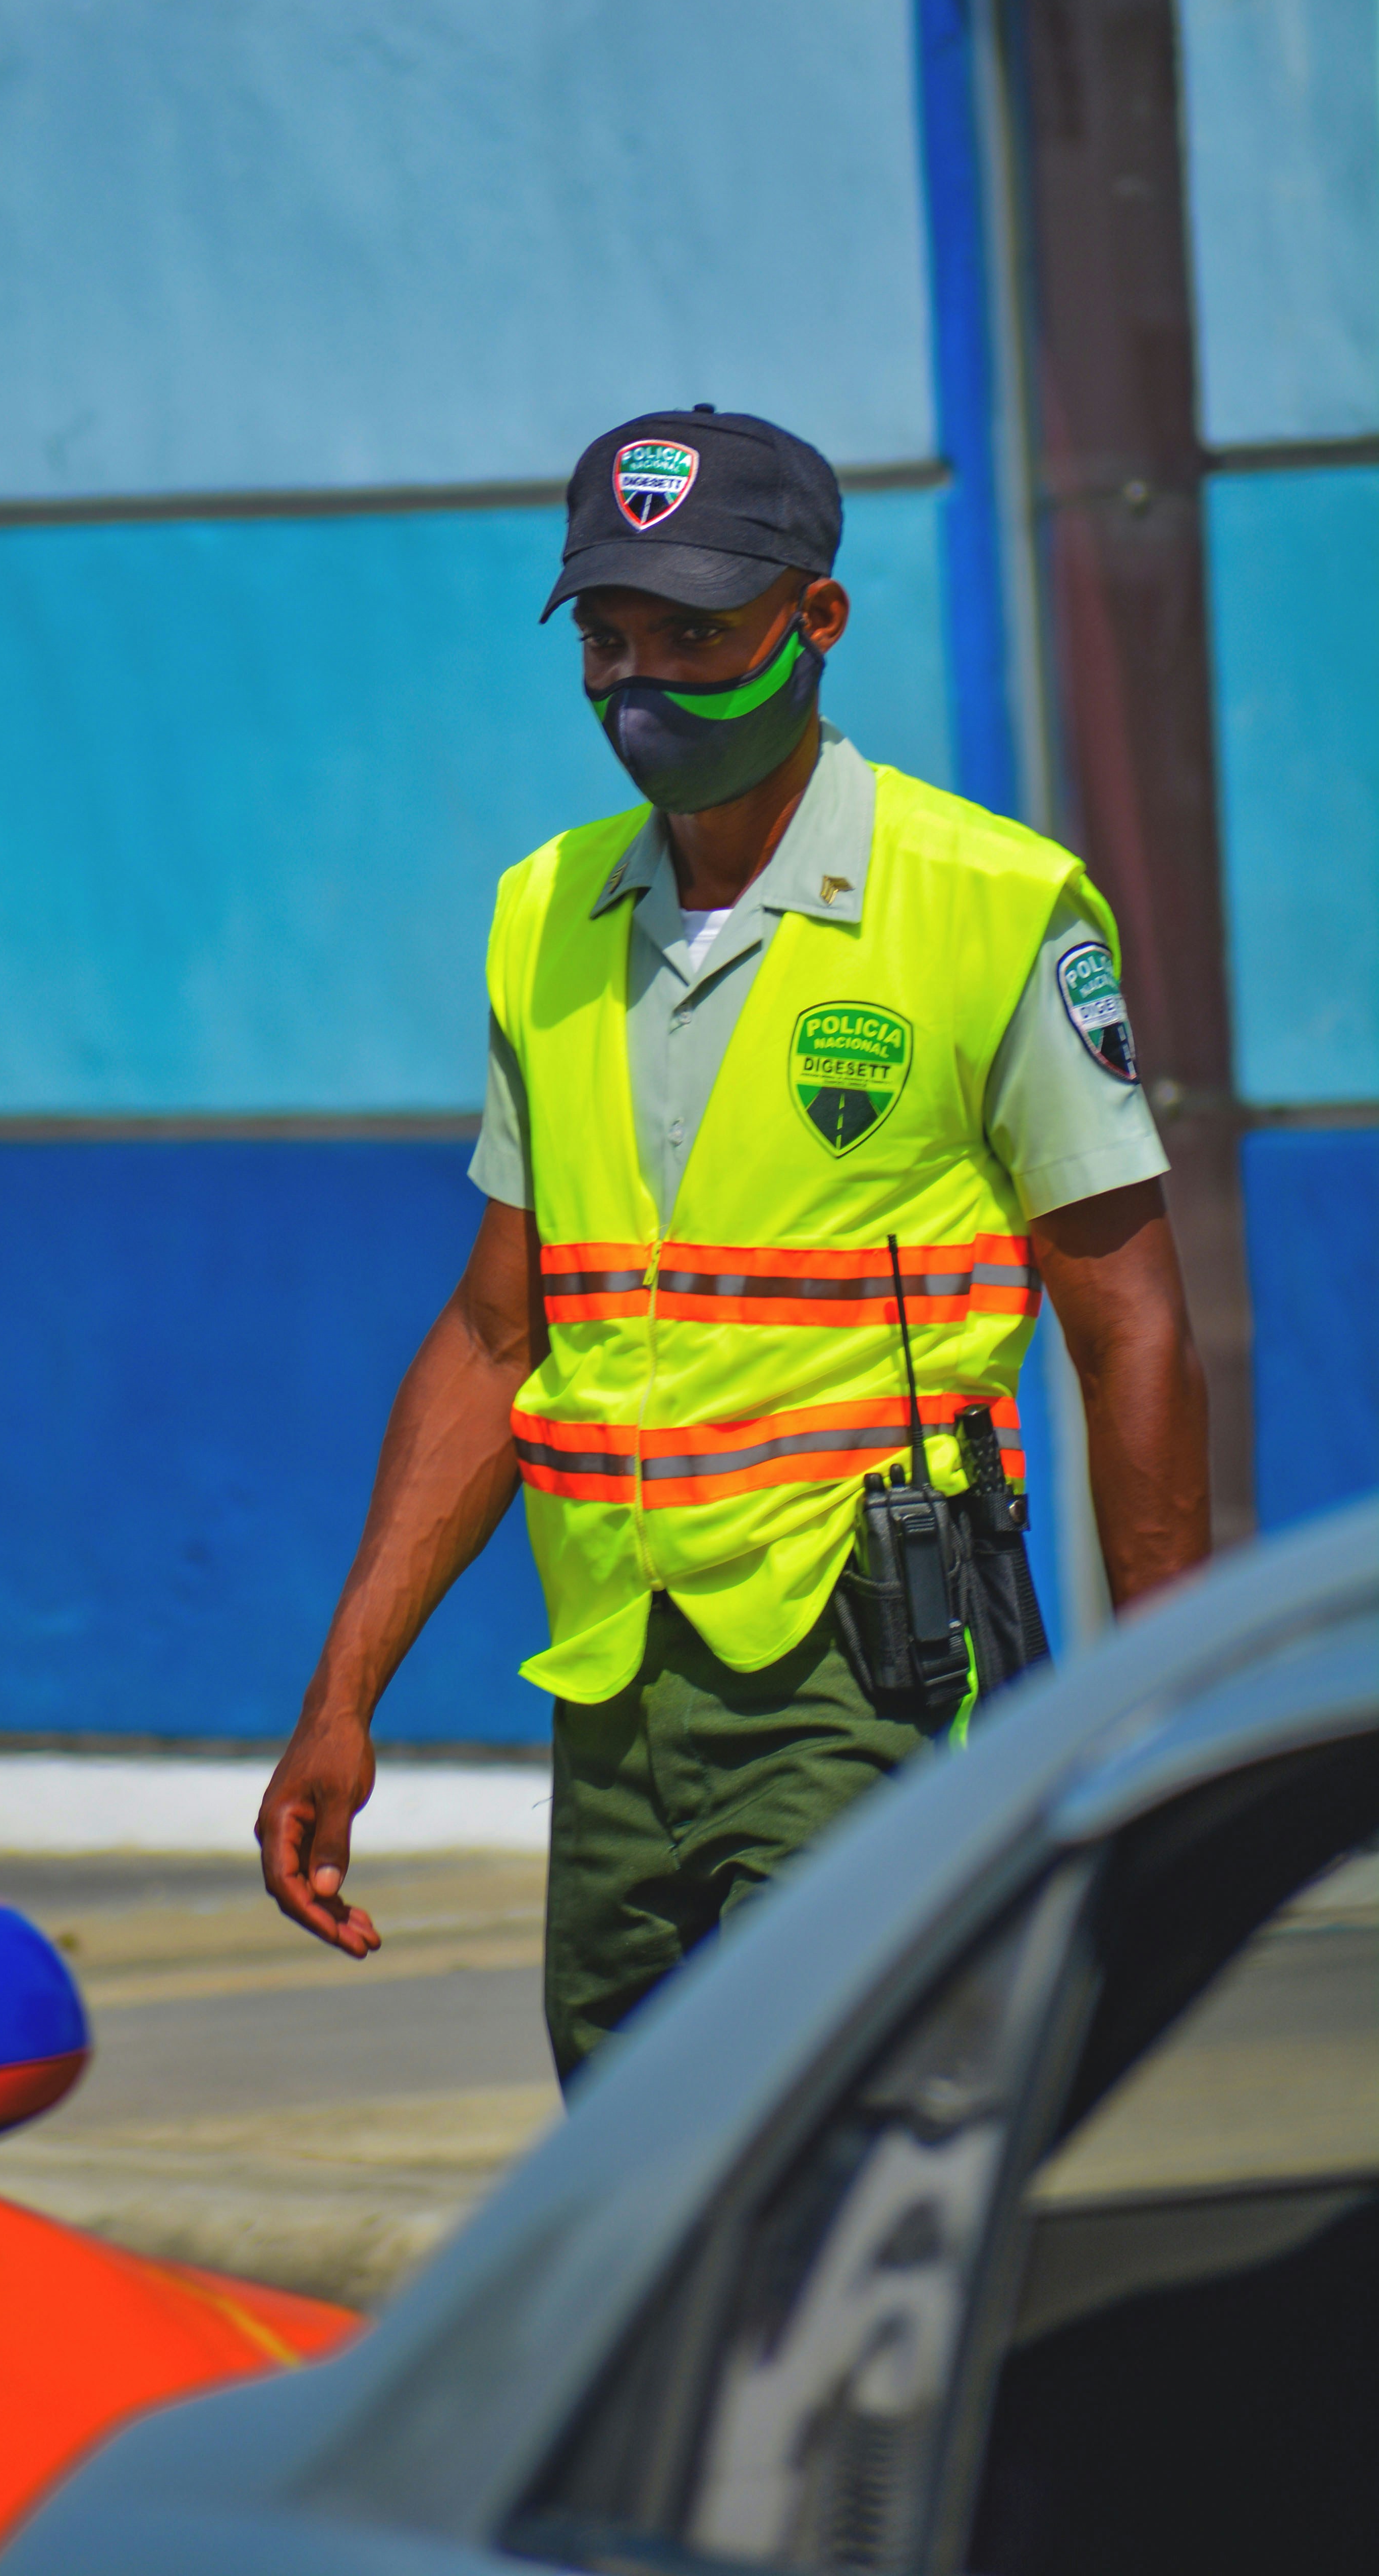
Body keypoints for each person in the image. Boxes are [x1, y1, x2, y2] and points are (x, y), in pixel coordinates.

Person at [257, 406, 1212, 2085]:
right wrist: (344, 1693)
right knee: (641, 2185)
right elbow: (499, 1337)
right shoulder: (544, 912)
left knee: (850, 2156)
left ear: (814, 622)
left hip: (876, 1670)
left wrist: (1168, 1722)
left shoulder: (992, 905)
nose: (645, 685)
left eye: (695, 635)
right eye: (610, 637)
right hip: (620, 1687)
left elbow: (1130, 1328)